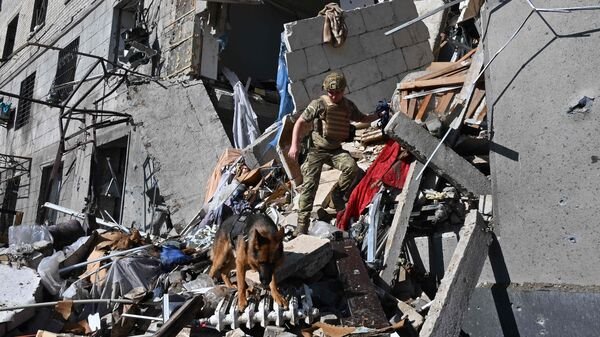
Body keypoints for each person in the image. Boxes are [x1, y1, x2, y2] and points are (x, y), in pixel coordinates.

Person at [288, 71, 381, 235]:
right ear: (326, 90)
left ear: (344, 90)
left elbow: (363, 118)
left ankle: (337, 194)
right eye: (331, 92)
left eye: (338, 92)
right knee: (309, 187)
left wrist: (379, 114)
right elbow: (300, 122)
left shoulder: (347, 106)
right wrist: (294, 145)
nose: (334, 96)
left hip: (335, 150)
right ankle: (302, 226)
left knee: (351, 167)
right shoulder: (319, 104)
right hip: (316, 150)